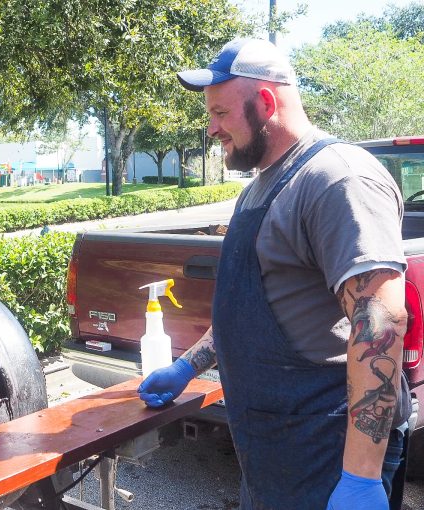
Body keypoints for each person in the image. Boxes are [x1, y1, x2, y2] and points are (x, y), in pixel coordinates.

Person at [137, 38, 411, 510]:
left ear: (265, 102)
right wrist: (188, 366)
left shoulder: (337, 179)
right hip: (272, 444)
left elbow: (379, 324)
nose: (211, 129)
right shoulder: (259, 187)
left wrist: (360, 477)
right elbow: (251, 311)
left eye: (221, 113)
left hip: (328, 449)